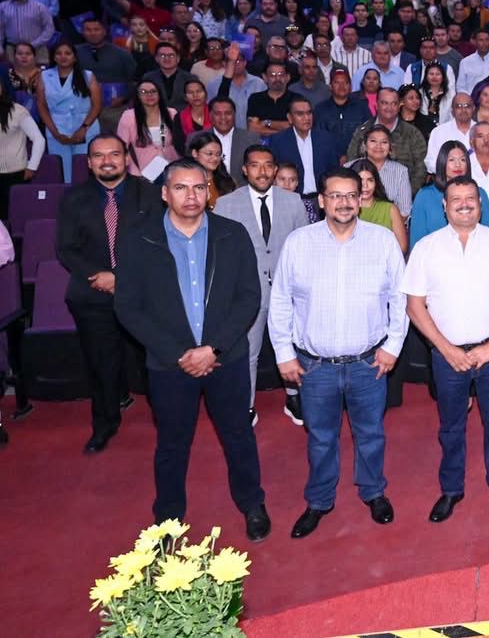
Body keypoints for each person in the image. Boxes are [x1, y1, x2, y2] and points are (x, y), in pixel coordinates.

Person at [114, 158, 269, 540]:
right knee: (171, 443)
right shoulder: (139, 238)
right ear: (165, 194)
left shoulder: (232, 234)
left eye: (199, 187)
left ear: (209, 192)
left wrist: (213, 349)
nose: (191, 196)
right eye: (181, 188)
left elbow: (249, 298)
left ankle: (252, 504)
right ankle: (168, 519)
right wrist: (179, 353)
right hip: (170, 364)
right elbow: (128, 307)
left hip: (225, 359)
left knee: (238, 435)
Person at [270, 166, 409, 539]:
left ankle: (373, 491)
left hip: (369, 363)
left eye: (352, 195)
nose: (345, 203)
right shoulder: (299, 243)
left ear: (361, 200)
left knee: (371, 433)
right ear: (322, 200)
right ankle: (319, 500)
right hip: (315, 366)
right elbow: (281, 299)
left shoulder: (381, 242)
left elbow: (400, 297)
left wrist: (393, 346)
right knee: (320, 437)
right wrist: (284, 352)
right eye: (336, 195)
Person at [404, 175, 489, 522]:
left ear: (480, 203)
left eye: (470, 198)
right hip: (446, 355)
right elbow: (415, 306)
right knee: (450, 425)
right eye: (455, 199)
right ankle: (451, 489)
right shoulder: (426, 247)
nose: (463, 204)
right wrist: (445, 349)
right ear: (444, 206)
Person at [55, 135, 161, 451]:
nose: (107, 161)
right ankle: (104, 424)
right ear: (89, 163)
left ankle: (166, 423)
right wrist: (99, 276)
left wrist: (122, 278)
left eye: (114, 154)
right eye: (98, 156)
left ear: (126, 158)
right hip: (93, 293)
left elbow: (159, 243)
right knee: (101, 365)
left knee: (153, 364)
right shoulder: (73, 198)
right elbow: (66, 248)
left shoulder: (151, 194)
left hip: (143, 295)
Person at [212, 144, 308, 425]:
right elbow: (222, 253)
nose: (262, 171)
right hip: (247, 293)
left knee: (293, 347)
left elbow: (303, 247)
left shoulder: (293, 201)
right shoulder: (226, 204)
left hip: (287, 291)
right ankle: (247, 403)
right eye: (255, 165)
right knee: (248, 352)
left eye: (268, 165)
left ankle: (295, 397)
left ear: (275, 169)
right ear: (244, 169)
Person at [35, 43, 103, 183]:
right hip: (57, 127)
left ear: (75, 57)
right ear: (53, 57)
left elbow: (96, 105)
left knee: (85, 168)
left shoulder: (87, 75)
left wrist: (84, 128)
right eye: (59, 53)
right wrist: (54, 132)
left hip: (85, 126)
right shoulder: (45, 76)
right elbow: (41, 106)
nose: (63, 56)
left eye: (67, 53)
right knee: (62, 171)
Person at [409, 140, 489, 244]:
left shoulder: (480, 193)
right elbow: (417, 241)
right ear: (442, 162)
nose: (458, 164)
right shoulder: (425, 196)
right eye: (452, 160)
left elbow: (487, 235)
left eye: (462, 160)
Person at [268, 97, 343, 197]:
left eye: (309, 113)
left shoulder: (326, 139)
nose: (306, 118)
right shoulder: (278, 141)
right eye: (300, 114)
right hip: (291, 198)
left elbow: (334, 171)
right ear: (290, 118)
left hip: (321, 198)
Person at [119, 81, 183, 180]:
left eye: (153, 91)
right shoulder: (129, 116)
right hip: (143, 174)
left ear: (159, 94)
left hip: (173, 170)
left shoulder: (171, 113)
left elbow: (180, 143)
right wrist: (135, 173)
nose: (149, 95)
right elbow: (121, 148)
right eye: (144, 92)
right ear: (138, 95)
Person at [0, 80, 46, 215]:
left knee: (13, 217)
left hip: (15, 174)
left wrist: (32, 166)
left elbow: (38, 139)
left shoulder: (17, 111)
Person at [350, 157, 410, 254]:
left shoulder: (390, 209)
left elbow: (402, 248)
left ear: (376, 182)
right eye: (360, 180)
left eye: (370, 180)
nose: (365, 186)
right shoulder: (345, 209)